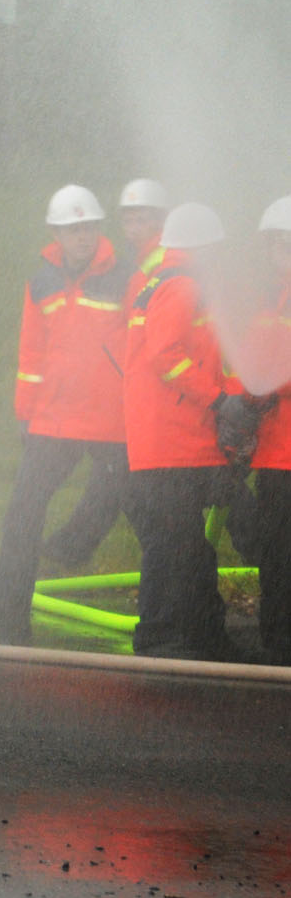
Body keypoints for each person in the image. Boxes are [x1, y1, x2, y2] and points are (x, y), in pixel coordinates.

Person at [0, 186, 132, 641]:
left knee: (142, 512)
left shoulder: (126, 277)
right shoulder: (41, 281)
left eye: (89, 227)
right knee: (23, 512)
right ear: (55, 233)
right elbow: (32, 352)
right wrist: (26, 412)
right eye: (73, 229)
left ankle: (177, 615)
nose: (83, 236)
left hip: (112, 418)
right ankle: (7, 605)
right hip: (54, 419)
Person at [122, 201, 239, 660]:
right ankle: (184, 639)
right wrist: (218, 399)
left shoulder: (161, 282)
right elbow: (166, 355)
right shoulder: (183, 285)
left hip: (163, 442)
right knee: (185, 546)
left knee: (177, 544)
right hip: (173, 441)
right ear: (203, 247)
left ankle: (174, 635)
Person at [239, 197, 291, 666]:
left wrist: (266, 385)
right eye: (278, 245)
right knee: (276, 554)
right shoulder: (267, 300)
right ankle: (277, 646)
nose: (284, 254)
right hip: (274, 455)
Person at [118, 177, 170, 311]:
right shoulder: (132, 261)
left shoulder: (168, 260)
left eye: (141, 221)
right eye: (128, 222)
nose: (133, 229)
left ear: (161, 221)